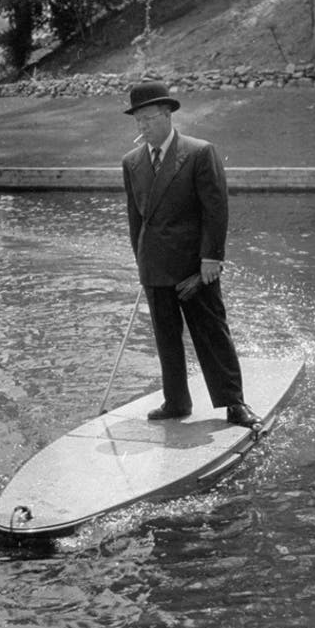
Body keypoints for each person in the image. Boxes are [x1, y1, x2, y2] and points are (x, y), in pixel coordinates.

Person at [120, 81, 261, 428]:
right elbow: (136, 219)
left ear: (168, 116)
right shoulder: (132, 162)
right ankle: (176, 401)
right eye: (138, 121)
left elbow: (215, 210)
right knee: (166, 339)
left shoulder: (199, 153)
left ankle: (234, 403)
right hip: (155, 268)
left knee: (211, 334)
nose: (143, 127)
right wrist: (142, 264)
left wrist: (211, 258)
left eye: (149, 119)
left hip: (194, 268)